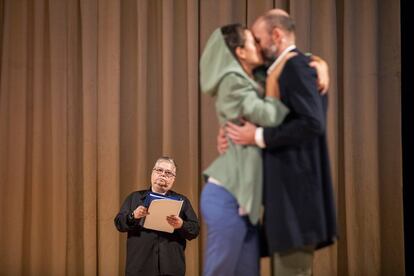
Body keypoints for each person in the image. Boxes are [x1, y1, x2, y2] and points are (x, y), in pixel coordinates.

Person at [225, 9, 338, 276]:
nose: (258, 47)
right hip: (285, 199)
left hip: (295, 199)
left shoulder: (294, 66)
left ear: (276, 35)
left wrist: (258, 136)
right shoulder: (280, 69)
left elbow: (312, 122)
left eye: (259, 40)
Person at [199, 24, 293, 276]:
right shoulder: (232, 82)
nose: (259, 47)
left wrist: (319, 62)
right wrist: (274, 83)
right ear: (240, 51)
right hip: (227, 198)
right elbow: (270, 116)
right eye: (253, 42)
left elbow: (289, 58)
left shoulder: (255, 78)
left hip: (245, 206)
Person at [114, 157, 200, 276]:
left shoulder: (182, 201)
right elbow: (119, 223)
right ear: (152, 173)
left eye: (168, 173)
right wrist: (133, 216)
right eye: (159, 170)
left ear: (173, 179)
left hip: (171, 268)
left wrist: (181, 225)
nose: (163, 175)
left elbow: (195, 230)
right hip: (139, 267)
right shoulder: (134, 198)